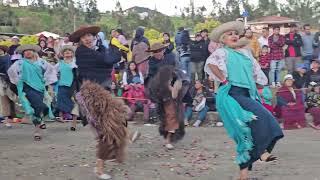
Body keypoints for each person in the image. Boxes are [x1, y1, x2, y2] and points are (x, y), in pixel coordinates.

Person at [204, 21, 283, 180]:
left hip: (248, 95)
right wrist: (224, 80)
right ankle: (259, 154)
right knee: (257, 124)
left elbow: (256, 72)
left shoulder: (245, 53)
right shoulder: (222, 52)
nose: (234, 36)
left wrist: (253, 81)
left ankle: (244, 175)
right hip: (234, 95)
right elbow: (211, 65)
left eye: (235, 33)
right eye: (229, 34)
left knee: (251, 132)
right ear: (223, 40)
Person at [75, 81, 129, 180]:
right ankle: (99, 170)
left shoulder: (97, 96)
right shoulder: (88, 98)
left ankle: (109, 158)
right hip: (98, 112)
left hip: (103, 108)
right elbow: (90, 112)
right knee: (105, 141)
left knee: (113, 137)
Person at [7, 44, 57, 141]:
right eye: (25, 51)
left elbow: (51, 70)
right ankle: (37, 130)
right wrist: (18, 81)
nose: (27, 52)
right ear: (23, 54)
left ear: (34, 52)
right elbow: (11, 72)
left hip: (40, 87)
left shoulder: (41, 62)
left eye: (29, 50)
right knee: (38, 106)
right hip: (27, 88)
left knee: (42, 107)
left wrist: (45, 80)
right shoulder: (19, 63)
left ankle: (40, 121)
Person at [148, 65, 189, 150]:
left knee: (173, 119)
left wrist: (175, 89)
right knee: (170, 119)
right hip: (166, 103)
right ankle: (168, 140)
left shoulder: (176, 79)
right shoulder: (161, 82)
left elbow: (177, 92)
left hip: (173, 104)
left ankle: (168, 140)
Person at [55, 45, 79, 131]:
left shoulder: (76, 62)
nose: (67, 52)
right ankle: (62, 116)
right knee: (61, 101)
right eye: (65, 51)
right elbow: (52, 72)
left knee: (75, 102)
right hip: (62, 85)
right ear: (63, 54)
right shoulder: (60, 63)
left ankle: (74, 123)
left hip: (74, 85)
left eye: (69, 51)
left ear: (73, 53)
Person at [0, 45, 16, 128]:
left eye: (0, 50)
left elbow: (9, 70)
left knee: (6, 99)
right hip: (3, 80)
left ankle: (6, 119)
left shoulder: (7, 58)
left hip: (5, 81)